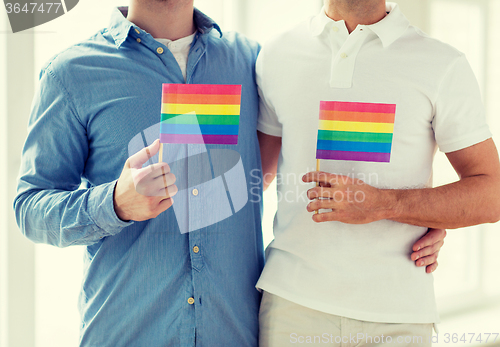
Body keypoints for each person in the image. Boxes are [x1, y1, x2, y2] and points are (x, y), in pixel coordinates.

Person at [14, 0, 444, 345]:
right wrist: (114, 203)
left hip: (235, 332)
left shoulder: (253, 61)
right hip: (128, 330)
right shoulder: (73, 72)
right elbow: (30, 208)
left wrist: (413, 216)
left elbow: (305, 161)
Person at [256, 0, 500, 346]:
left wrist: (388, 205)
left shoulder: (442, 63)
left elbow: (492, 196)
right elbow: (254, 179)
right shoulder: (276, 53)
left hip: (399, 317)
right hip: (292, 307)